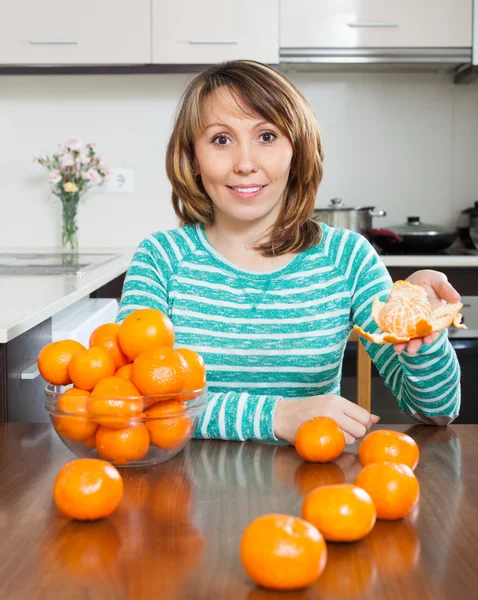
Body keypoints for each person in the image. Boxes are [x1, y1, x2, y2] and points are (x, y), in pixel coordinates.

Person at [116, 60, 461, 446]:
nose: (245, 164)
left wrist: (423, 333)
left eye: (266, 136)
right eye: (220, 140)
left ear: (296, 151)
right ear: (193, 159)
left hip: (316, 491)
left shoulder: (347, 258)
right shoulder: (160, 258)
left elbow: (435, 412)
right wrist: (274, 416)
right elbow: (133, 403)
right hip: (183, 491)